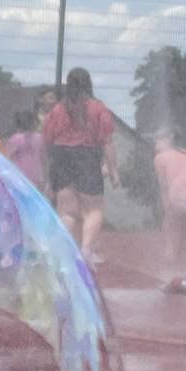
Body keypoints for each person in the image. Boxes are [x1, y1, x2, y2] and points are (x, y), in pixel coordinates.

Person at [43, 68, 119, 266]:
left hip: (61, 157)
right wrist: (113, 170)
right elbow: (107, 141)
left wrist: (49, 174)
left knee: (66, 211)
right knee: (94, 209)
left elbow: (48, 141)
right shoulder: (97, 108)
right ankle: (85, 249)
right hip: (87, 156)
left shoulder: (58, 109)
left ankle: (65, 254)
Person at [153, 129, 186, 292]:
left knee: (172, 236)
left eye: (158, 140)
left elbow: (163, 185)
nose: (155, 144)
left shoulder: (160, 158)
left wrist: (167, 206)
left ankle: (170, 275)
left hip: (178, 199)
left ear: (168, 140)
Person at [6, 109, 47, 193]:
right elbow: (44, 159)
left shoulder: (15, 139)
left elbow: (7, 158)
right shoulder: (39, 138)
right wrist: (45, 177)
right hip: (36, 177)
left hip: (19, 177)